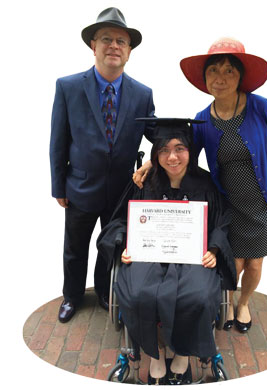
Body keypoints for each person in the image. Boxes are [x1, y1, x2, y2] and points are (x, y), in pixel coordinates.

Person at [134, 38, 267, 333]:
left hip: (265, 202)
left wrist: (261, 168)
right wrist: (149, 164)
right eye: (214, 71)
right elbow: (182, 152)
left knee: (255, 265)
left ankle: (243, 303)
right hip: (230, 204)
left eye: (229, 71)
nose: (220, 78)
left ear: (240, 76)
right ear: (205, 79)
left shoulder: (261, 108)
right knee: (236, 263)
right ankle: (227, 302)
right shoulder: (204, 120)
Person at [97, 118, 236, 385]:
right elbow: (120, 220)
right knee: (139, 293)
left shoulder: (206, 184)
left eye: (179, 148)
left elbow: (222, 221)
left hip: (192, 258)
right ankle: (157, 353)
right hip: (148, 256)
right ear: (155, 154)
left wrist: (215, 249)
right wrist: (124, 244)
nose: (172, 157)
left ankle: (183, 354)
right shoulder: (144, 183)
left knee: (196, 295)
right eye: (163, 150)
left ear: (190, 151)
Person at [49, 7, 155, 323]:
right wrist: (59, 186)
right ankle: (72, 296)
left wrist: (156, 159)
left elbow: (157, 135)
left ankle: (106, 293)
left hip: (121, 190)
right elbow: (58, 140)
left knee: (111, 246)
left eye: (121, 41)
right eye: (106, 39)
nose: (114, 46)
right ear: (93, 46)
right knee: (75, 248)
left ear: (129, 52)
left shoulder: (142, 93)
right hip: (79, 187)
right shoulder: (68, 87)